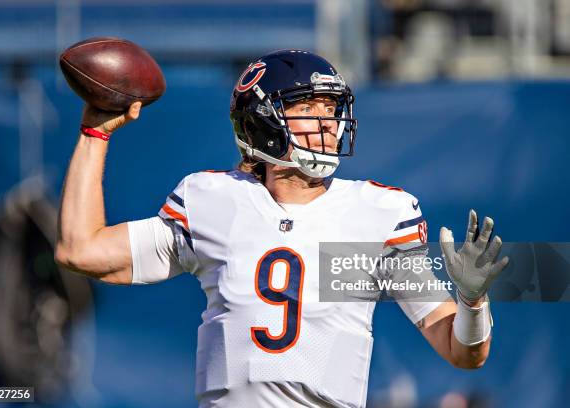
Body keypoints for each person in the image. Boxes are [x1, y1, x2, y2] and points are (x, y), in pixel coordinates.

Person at [55, 50, 509, 408]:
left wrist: (472, 301)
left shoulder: (380, 213)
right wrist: (95, 131)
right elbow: (81, 250)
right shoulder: (211, 200)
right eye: (308, 108)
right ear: (263, 120)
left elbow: (462, 351)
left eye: (332, 109)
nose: (327, 123)